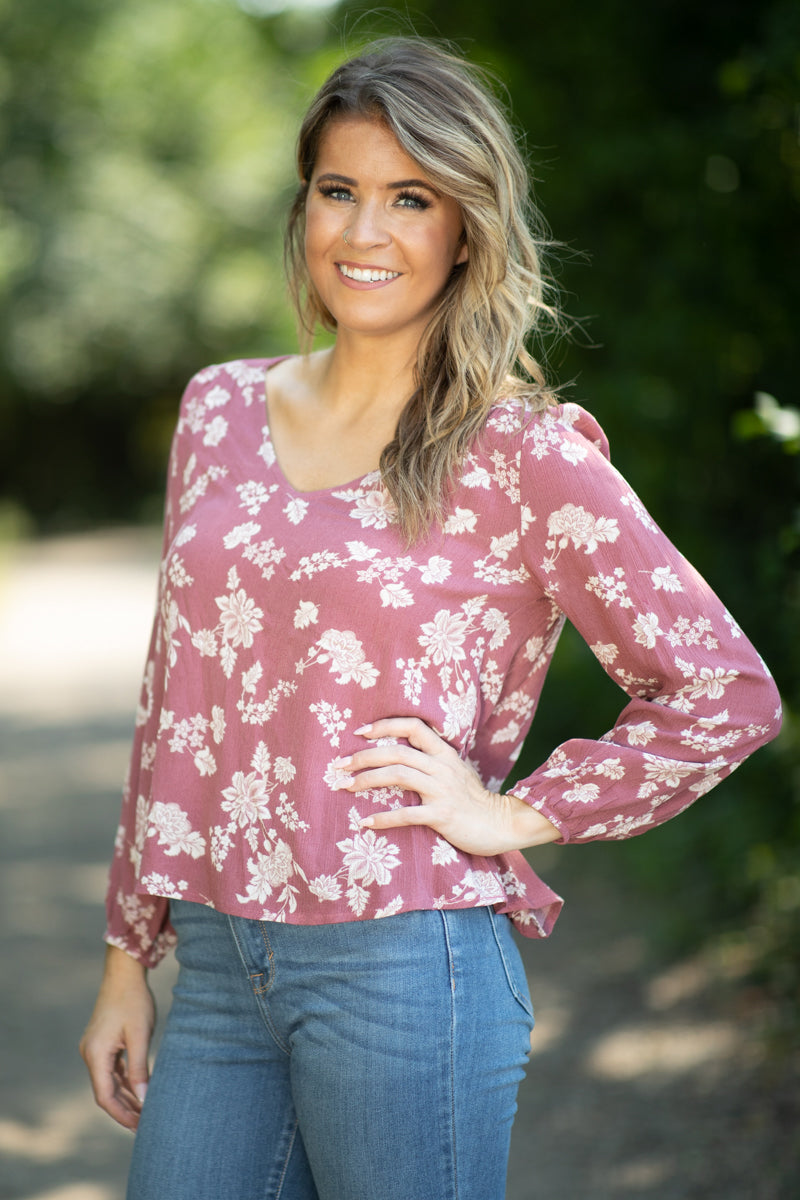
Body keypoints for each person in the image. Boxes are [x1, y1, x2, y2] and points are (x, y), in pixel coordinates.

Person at [80, 36, 781, 1200]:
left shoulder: (520, 451)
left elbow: (723, 692)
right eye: (338, 191)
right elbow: (174, 707)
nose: (365, 233)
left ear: (466, 226)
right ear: (302, 206)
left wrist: (512, 812)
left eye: (410, 198)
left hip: (401, 969)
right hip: (213, 963)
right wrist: (125, 957)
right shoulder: (217, 409)